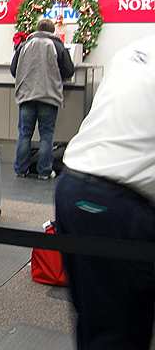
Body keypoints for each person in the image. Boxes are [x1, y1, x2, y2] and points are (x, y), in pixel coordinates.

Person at [55, 36, 155, 350]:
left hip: (74, 186)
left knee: (96, 319)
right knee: (118, 331)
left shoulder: (133, 49)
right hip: (118, 201)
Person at [10, 19, 74, 179]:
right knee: (46, 134)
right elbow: (69, 71)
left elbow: (13, 69)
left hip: (27, 95)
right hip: (48, 95)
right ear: (52, 31)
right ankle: (44, 171)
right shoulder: (57, 45)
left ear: (36, 29)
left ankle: (21, 169)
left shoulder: (24, 45)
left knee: (24, 133)